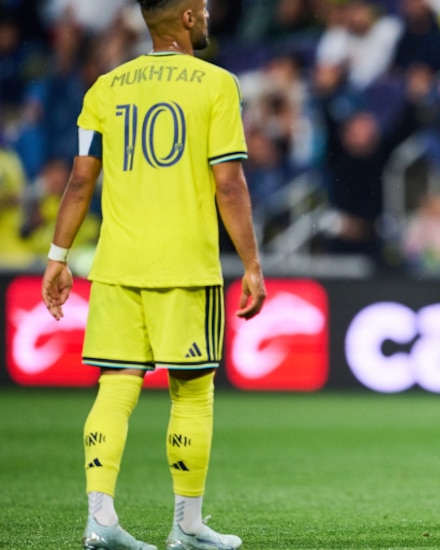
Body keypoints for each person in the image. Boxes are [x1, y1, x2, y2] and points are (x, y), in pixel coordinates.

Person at [40, 0, 267, 548]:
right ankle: (186, 527)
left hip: (117, 265)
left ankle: (101, 521)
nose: (210, 14)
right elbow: (229, 184)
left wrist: (57, 257)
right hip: (185, 266)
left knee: (115, 387)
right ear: (187, 17)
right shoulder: (216, 84)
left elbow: (78, 181)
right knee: (191, 394)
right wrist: (253, 265)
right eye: (204, 7)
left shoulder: (106, 87)